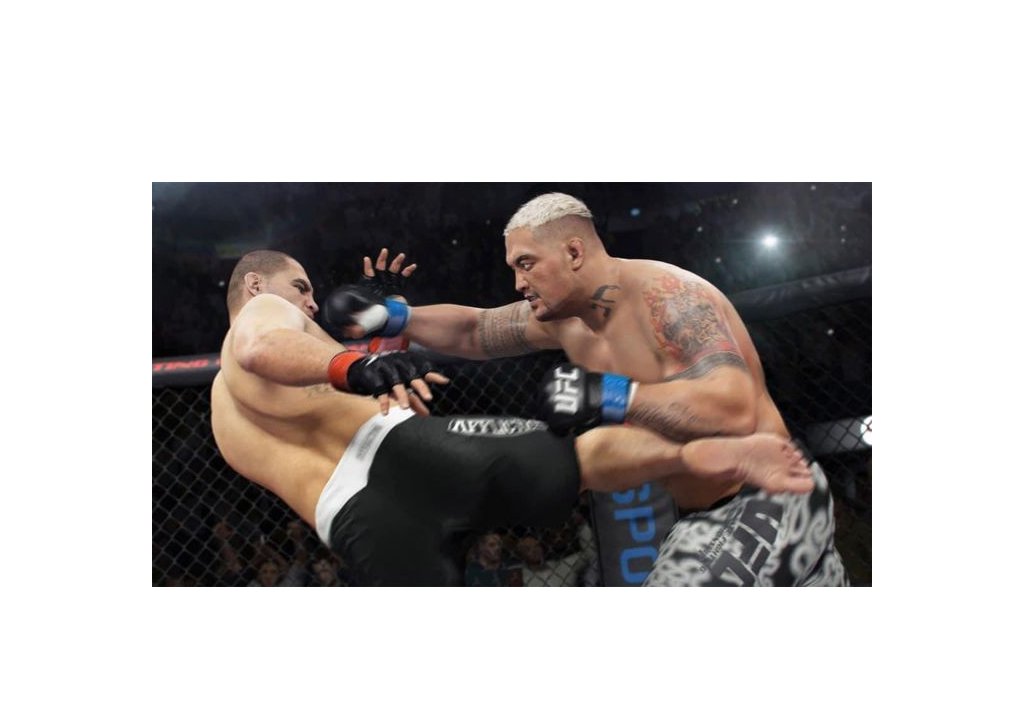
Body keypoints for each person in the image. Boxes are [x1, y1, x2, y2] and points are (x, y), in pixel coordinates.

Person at [322, 192, 848, 586]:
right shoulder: (567, 322)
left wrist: (609, 394)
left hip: (764, 494)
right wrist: (391, 316)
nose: (517, 282)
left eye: (526, 264)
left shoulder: (668, 297)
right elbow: (475, 330)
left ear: (574, 251)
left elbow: (733, 407)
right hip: (724, 506)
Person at [210, 249, 817, 586]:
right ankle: (700, 454)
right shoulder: (263, 315)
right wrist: (357, 364)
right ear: (256, 284)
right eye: (302, 287)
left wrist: (390, 329)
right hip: (398, 456)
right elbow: (263, 347)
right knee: (568, 458)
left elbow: (329, 408)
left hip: (355, 524)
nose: (312, 300)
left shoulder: (225, 414)